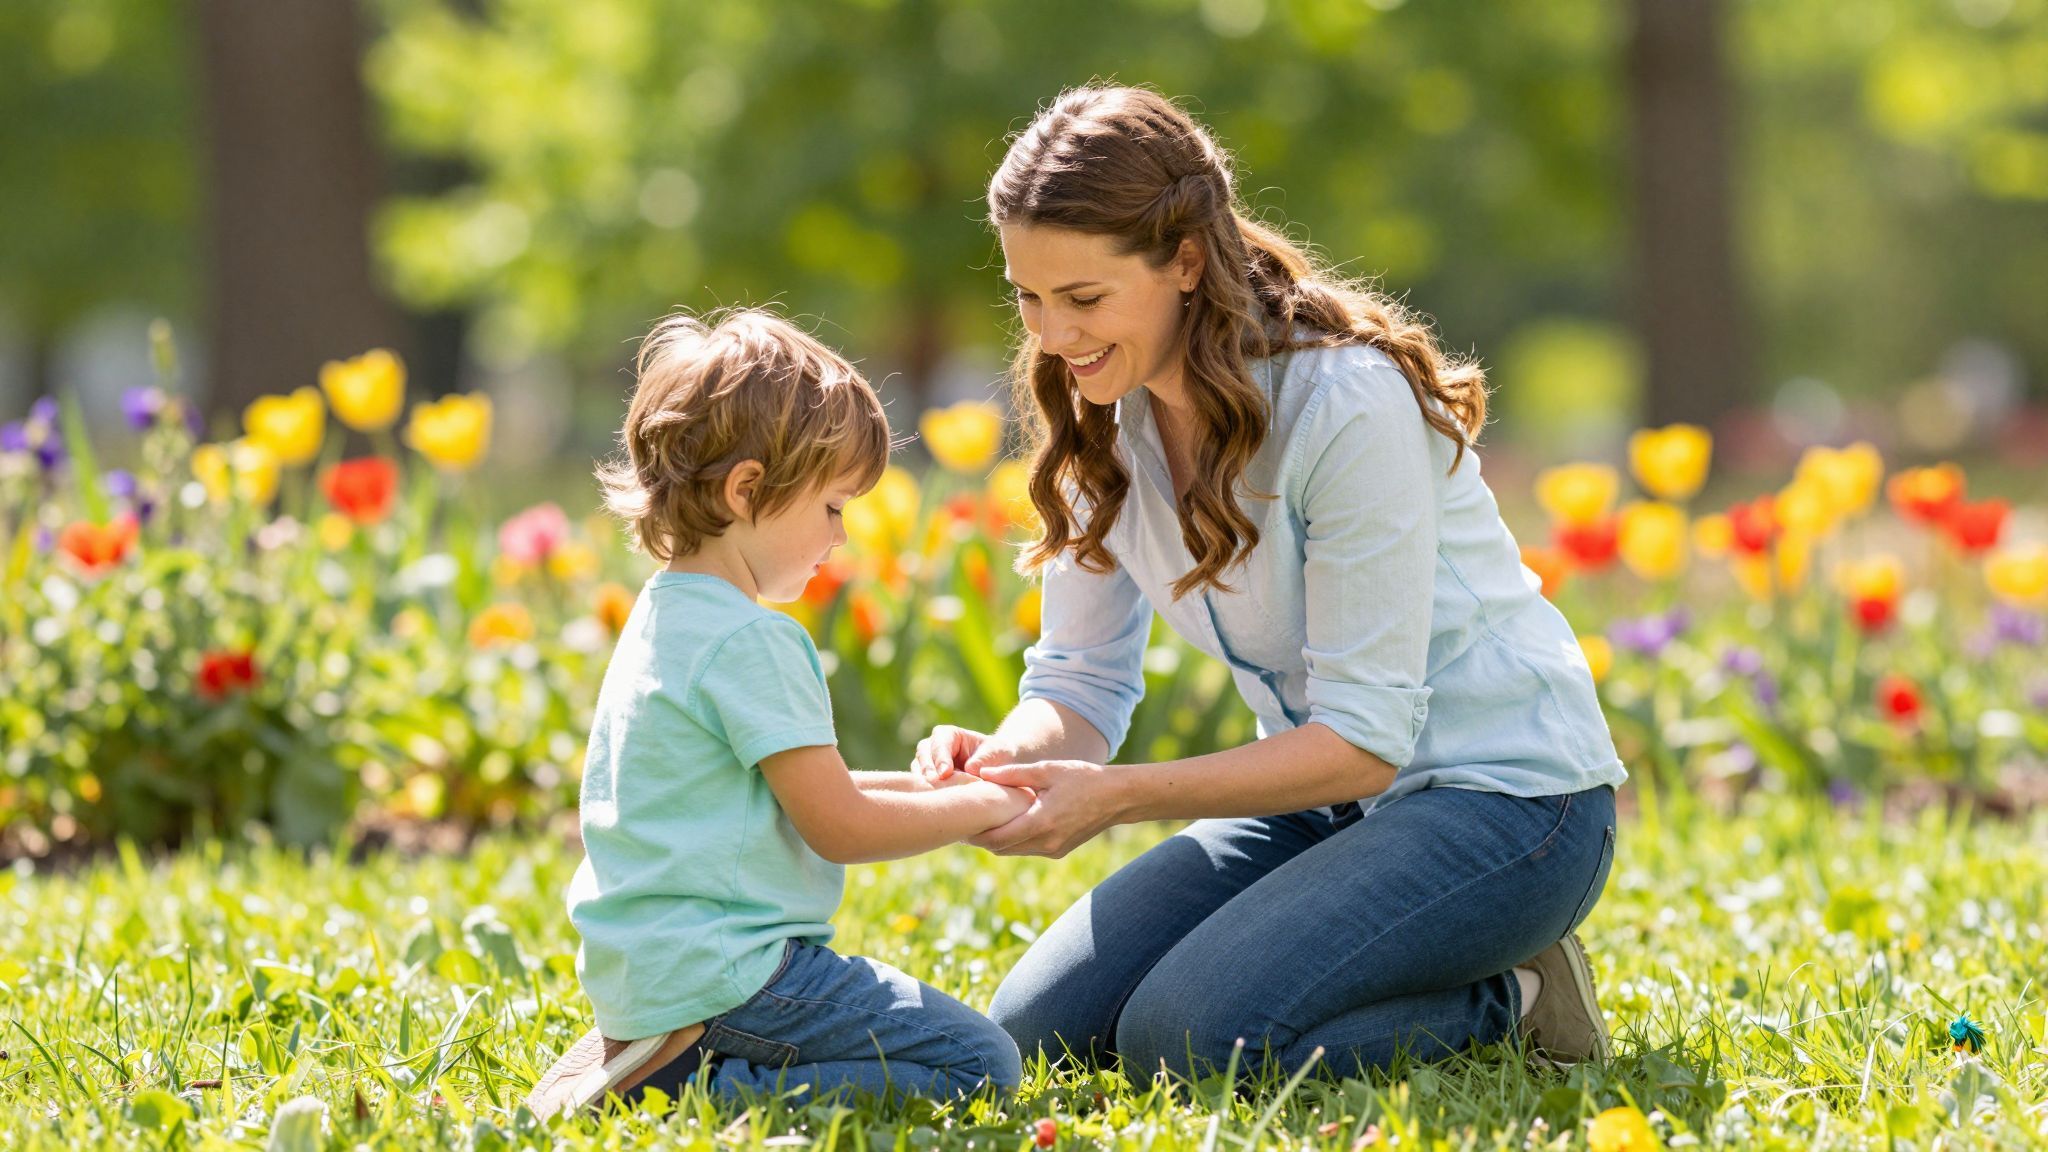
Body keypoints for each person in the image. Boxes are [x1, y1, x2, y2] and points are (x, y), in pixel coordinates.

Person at [915, 86, 1625, 1081]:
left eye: (1083, 299)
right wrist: (1006, 761)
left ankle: (1508, 995)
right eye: (1026, 297)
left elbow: (1365, 740)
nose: (1053, 335)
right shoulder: (1098, 424)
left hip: (1504, 805)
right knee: (1041, 1028)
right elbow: (1076, 685)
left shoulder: (1342, 405)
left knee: (1189, 1038)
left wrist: (1113, 798)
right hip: (1324, 801)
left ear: (1186, 263)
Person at [527, 309, 1029, 1119]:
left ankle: (657, 1050)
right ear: (747, 490)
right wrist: (985, 807)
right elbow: (841, 826)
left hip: (653, 972)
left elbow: (791, 788)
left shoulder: (665, 614)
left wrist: (924, 788)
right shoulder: (753, 639)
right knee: (979, 1062)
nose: (842, 536)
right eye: (833, 509)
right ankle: (701, 1089)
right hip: (736, 975)